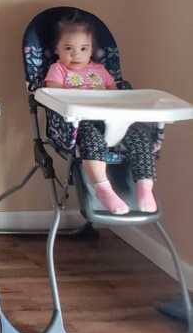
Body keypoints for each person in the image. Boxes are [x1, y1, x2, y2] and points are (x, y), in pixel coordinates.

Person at [44, 12, 159, 215]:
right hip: (79, 124)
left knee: (141, 133)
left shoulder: (101, 70)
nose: (76, 54)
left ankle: (145, 186)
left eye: (83, 48)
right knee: (90, 137)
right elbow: (52, 95)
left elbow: (117, 95)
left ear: (92, 50)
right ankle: (103, 188)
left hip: (112, 120)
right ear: (57, 50)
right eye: (68, 48)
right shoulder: (58, 69)